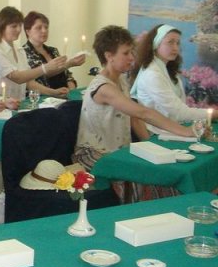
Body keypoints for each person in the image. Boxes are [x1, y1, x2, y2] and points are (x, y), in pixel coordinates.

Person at [73, 25, 195, 203]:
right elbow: (142, 112)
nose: (131, 57)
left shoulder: (121, 80)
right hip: (96, 155)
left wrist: (151, 146)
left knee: (161, 174)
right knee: (145, 183)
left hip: (120, 152)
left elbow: (134, 118)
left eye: (132, 52)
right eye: (126, 53)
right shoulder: (104, 87)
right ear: (109, 56)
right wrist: (184, 131)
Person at [130, 23, 216, 129]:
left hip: (172, 128)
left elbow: (180, 108)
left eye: (177, 43)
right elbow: (178, 113)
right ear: (156, 44)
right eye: (170, 42)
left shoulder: (169, 71)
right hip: (156, 133)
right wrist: (213, 114)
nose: (175, 48)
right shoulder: (152, 75)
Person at [0, 6, 68, 100]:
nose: (19, 30)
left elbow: (28, 82)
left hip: (18, 103)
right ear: (2, 27)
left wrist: (54, 92)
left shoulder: (20, 51)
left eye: (20, 25)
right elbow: (17, 78)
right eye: (14, 26)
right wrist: (45, 67)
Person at [22, 11, 85, 90]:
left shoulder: (53, 50)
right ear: (28, 31)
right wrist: (69, 64)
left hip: (65, 93)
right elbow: (40, 77)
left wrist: (71, 91)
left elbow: (67, 75)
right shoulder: (23, 52)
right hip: (44, 95)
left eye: (46, 27)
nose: (44, 31)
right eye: (39, 28)